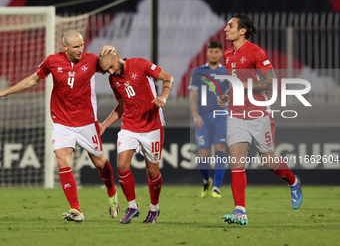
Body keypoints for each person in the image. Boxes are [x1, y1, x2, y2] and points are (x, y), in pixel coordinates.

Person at [0, 29, 119, 223]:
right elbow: (32, 80)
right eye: (76, 47)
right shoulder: (52, 61)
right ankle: (76, 209)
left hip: (86, 122)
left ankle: (112, 193)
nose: (80, 49)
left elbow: (115, 66)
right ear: (65, 47)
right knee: (62, 161)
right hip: (61, 121)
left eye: (82, 45)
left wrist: (113, 53)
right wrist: (5, 92)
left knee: (100, 163)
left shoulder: (91, 60)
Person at [217, 15, 303, 226]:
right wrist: (227, 95)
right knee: (237, 163)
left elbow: (270, 81)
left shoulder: (256, 52)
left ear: (243, 30)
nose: (226, 29)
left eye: (231, 25)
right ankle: (240, 211)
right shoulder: (227, 54)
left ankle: (293, 181)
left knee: (269, 161)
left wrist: (245, 87)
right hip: (236, 114)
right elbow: (233, 83)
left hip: (258, 114)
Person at [98, 49, 174, 224]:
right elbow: (122, 105)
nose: (111, 72)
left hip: (152, 125)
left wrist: (163, 96)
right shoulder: (113, 79)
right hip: (129, 125)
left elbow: (168, 77)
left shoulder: (140, 64)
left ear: (117, 57)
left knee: (152, 171)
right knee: (122, 165)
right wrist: (104, 124)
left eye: (111, 67)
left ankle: (154, 209)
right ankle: (132, 207)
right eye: (107, 71)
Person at [189, 40, 228, 198]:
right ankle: (206, 180)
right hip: (203, 117)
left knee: (220, 150)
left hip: (220, 116)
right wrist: (195, 115)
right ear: (207, 53)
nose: (213, 54)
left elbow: (232, 93)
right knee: (203, 156)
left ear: (220, 53)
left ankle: (216, 188)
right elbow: (193, 95)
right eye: (211, 51)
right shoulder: (198, 72)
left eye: (216, 52)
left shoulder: (226, 72)